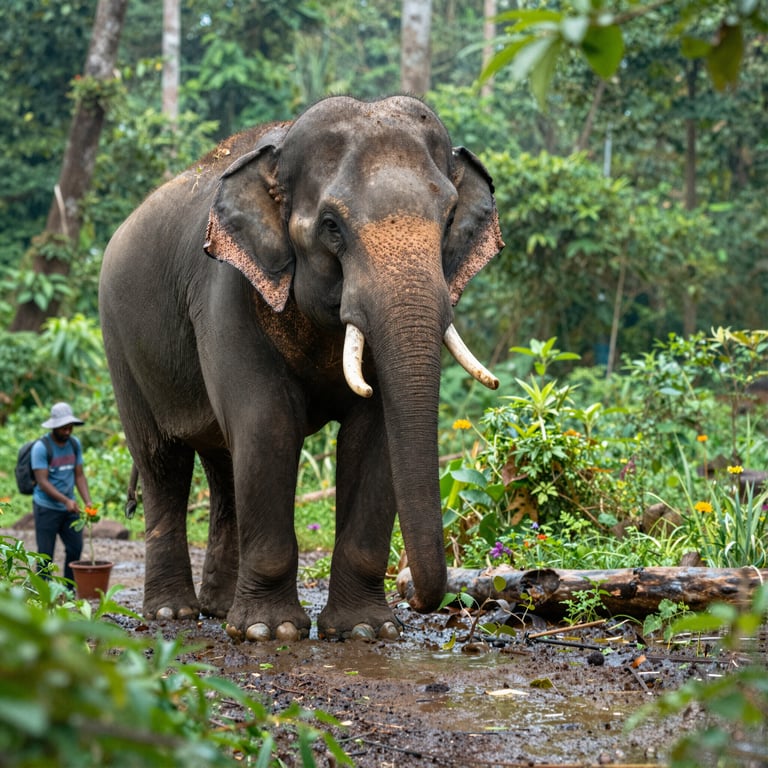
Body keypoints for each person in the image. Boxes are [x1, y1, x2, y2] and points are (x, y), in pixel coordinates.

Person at [31, 402, 94, 582]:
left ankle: (68, 588)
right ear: (54, 427)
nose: (67, 431)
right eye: (63, 428)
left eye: (70, 427)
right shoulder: (41, 448)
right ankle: (44, 593)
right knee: (45, 554)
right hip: (46, 507)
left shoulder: (74, 445)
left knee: (75, 547)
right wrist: (65, 501)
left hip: (69, 509)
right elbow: (42, 482)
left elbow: (79, 476)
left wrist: (87, 501)